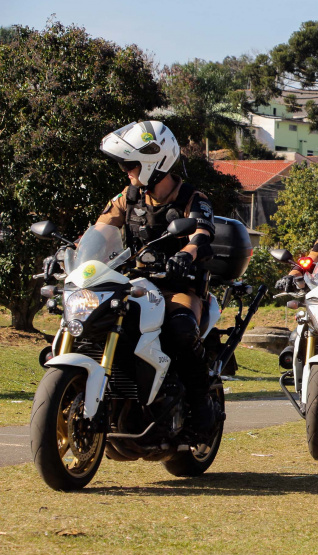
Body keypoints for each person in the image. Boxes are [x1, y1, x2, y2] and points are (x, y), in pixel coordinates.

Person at [97, 120, 217, 432]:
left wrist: (186, 254)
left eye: (131, 164)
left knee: (180, 329)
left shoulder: (193, 198)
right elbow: (99, 231)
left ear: (154, 163)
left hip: (179, 287)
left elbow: (201, 234)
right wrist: (71, 253)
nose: (126, 171)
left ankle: (201, 405)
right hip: (134, 284)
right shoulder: (127, 197)